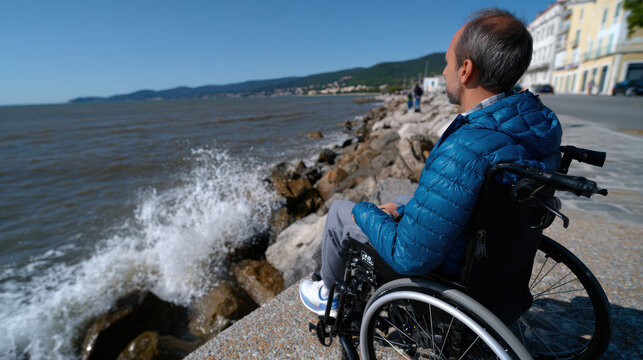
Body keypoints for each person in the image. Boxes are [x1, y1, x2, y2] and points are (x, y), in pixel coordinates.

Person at [299, 9, 562, 319]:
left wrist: (364, 212)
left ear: (466, 70)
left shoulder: (466, 148)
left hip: (452, 273)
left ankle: (328, 297)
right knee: (400, 200)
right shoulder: (537, 127)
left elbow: (409, 256)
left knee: (340, 213)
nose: (443, 72)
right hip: (494, 261)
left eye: (447, 63)